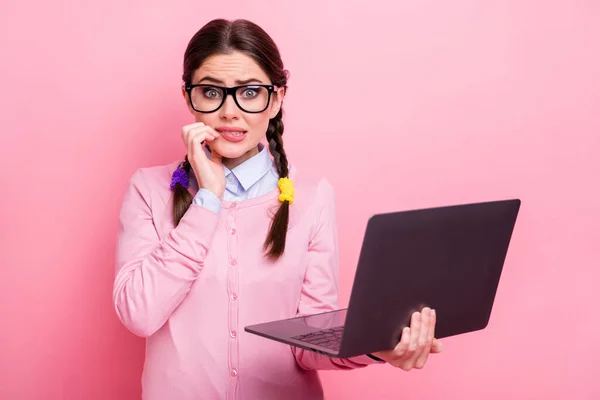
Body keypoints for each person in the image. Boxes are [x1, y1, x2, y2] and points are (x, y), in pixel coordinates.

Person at [113, 18, 443, 400]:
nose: (230, 112)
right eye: (211, 92)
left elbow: (308, 343)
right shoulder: (148, 189)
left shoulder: (313, 195)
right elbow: (139, 313)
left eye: (250, 92)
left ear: (277, 97)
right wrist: (208, 199)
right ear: (189, 98)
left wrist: (376, 347)